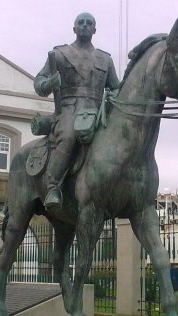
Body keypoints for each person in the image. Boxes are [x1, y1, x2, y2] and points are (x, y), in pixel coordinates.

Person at [34, 12, 120, 211]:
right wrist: (50, 83)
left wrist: (115, 95)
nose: (84, 25)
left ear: (94, 30)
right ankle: (53, 186)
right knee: (69, 135)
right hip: (69, 110)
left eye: (89, 23)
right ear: (74, 28)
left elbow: (115, 86)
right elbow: (39, 84)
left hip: (98, 113)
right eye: (80, 23)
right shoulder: (59, 54)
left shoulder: (105, 59)